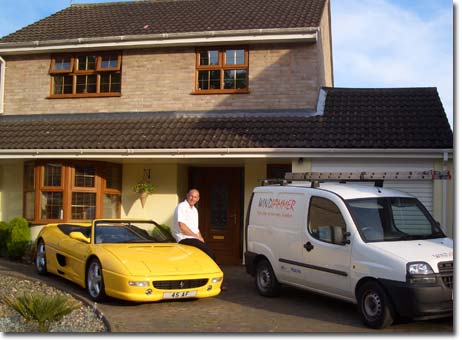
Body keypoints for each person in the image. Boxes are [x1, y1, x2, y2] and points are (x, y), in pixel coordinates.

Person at [173, 189, 215, 261]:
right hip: (183, 238)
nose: (193, 199)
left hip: (192, 238)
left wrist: (201, 238)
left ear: (198, 199)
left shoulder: (195, 210)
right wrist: (197, 237)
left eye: (195, 197)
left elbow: (196, 229)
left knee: (207, 250)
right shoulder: (181, 207)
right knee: (209, 252)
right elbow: (182, 226)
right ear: (187, 196)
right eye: (191, 196)